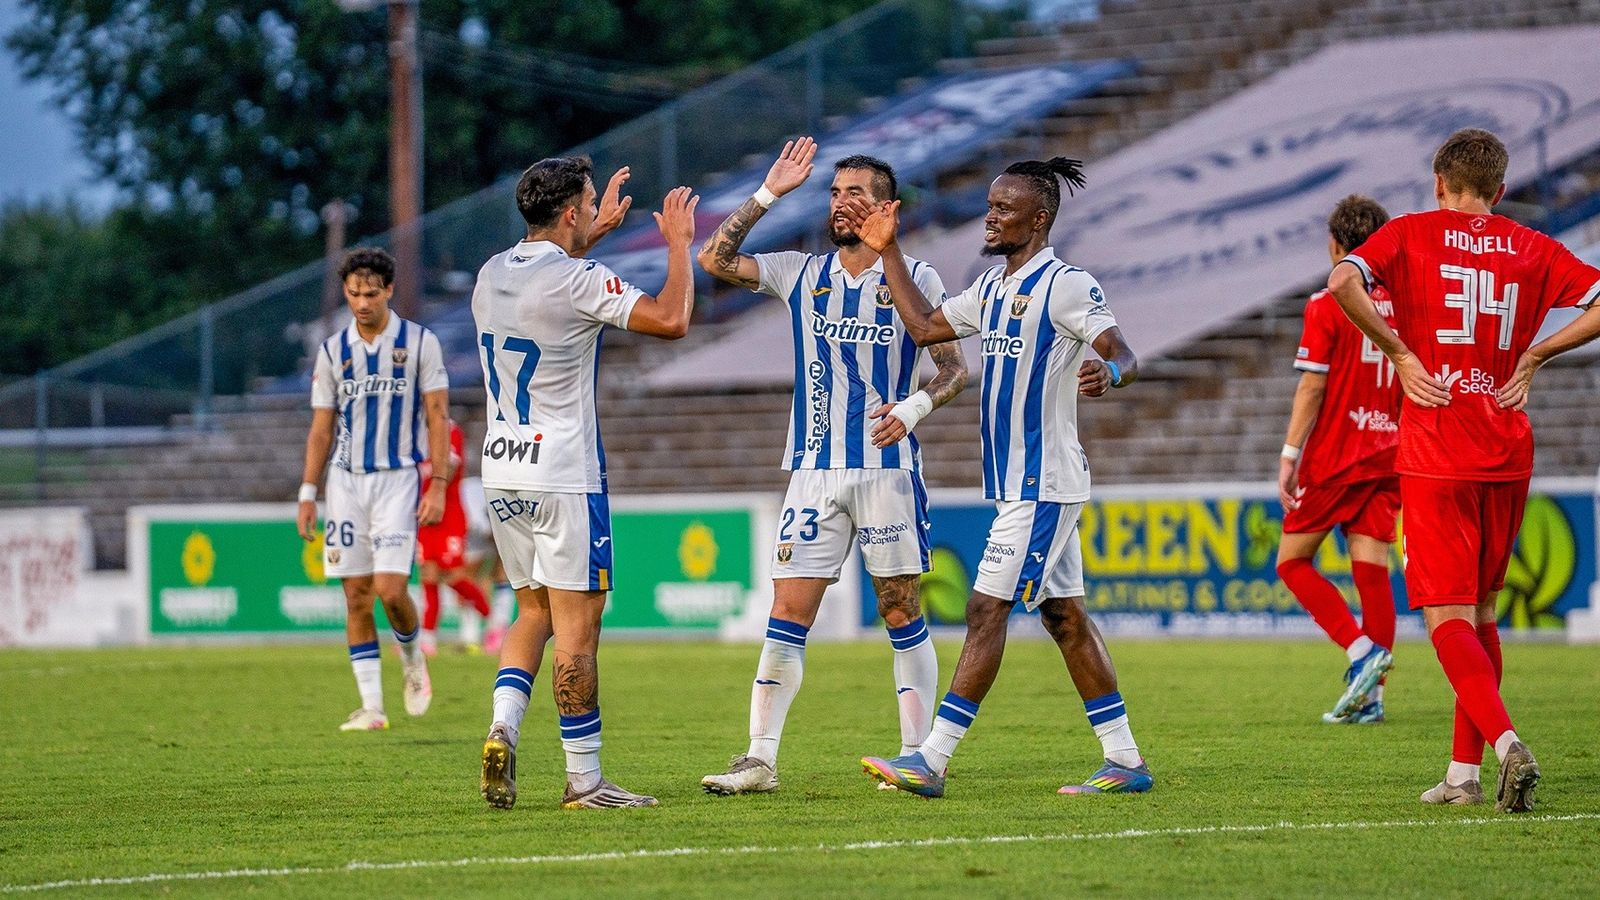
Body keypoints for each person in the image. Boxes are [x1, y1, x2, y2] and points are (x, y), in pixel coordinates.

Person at [843, 157, 1149, 798]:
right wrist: (889, 249)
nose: (990, 216)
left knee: (985, 610)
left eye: (1004, 209)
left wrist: (1109, 374)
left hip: (1045, 483)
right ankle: (1125, 761)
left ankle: (930, 760)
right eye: (989, 204)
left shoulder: (1065, 285)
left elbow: (1121, 351)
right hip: (1020, 484)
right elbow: (926, 327)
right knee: (1064, 617)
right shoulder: (990, 289)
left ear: (1038, 220)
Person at [1328, 128, 1600, 812]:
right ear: (1501, 191)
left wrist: (1398, 353)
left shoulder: (1412, 234)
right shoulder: (1535, 247)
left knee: (1447, 616)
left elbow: (1341, 282)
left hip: (1437, 444)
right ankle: (1461, 774)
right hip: (1506, 446)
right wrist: (1536, 356)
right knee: (1480, 616)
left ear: (1437, 181)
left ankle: (1506, 746)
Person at [694, 139, 968, 794]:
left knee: (898, 609)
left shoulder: (917, 278)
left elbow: (955, 370)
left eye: (857, 194)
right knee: (788, 611)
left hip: (886, 468)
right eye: (836, 192)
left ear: (887, 208)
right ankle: (759, 758)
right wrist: (768, 193)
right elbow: (715, 258)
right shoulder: (800, 272)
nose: (842, 203)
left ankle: (914, 757)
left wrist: (916, 407)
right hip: (814, 472)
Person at [474, 159, 700, 810]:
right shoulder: (578, 279)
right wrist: (678, 246)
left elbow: (544, 286)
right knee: (579, 627)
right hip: (564, 473)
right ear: (570, 211)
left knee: (532, 611)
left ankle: (502, 728)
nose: (600, 208)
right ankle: (584, 780)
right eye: (591, 202)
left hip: (502, 467)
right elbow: (670, 318)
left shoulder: (492, 272)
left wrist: (588, 237)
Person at [297, 247, 450, 732]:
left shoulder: (420, 343)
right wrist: (307, 491)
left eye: (370, 293)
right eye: (353, 294)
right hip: (344, 484)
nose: (361, 303)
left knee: (389, 589)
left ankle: (411, 658)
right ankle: (373, 708)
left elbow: (438, 415)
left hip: (397, 480)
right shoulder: (333, 350)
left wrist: (439, 483)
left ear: (389, 290)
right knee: (356, 595)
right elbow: (322, 427)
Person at [1276, 196, 1402, 724]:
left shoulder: (1329, 301)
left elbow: (1313, 383)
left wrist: (1289, 454)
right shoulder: (1406, 302)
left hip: (1338, 454)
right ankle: (1370, 699)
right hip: (1392, 451)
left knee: (1292, 562)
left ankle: (1360, 651)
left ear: (1335, 245)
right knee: (1371, 571)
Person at [416, 418, 492, 655]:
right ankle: (427, 639)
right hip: (425, 515)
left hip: (449, 514)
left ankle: (492, 622)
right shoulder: (412, 430)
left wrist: (430, 484)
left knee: (455, 576)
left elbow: (451, 467)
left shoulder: (449, 429)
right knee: (428, 575)